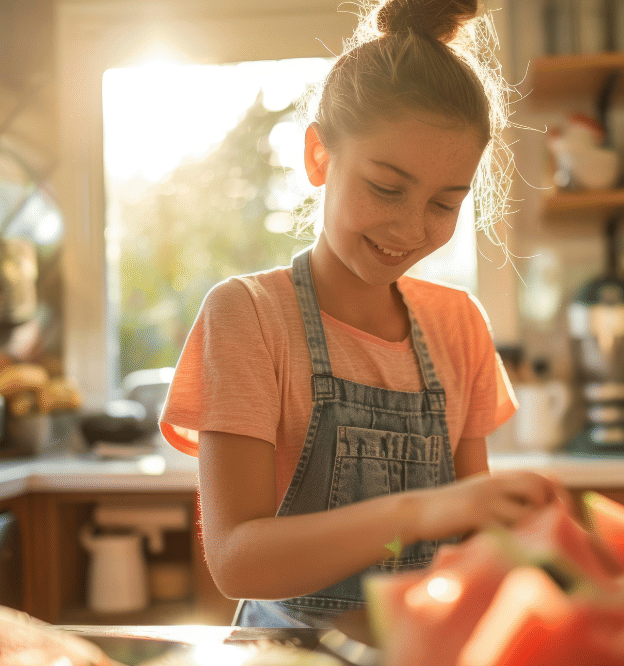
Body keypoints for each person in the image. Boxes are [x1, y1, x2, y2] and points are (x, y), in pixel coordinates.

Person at [160, 0, 565, 629]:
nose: (410, 226)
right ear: (320, 157)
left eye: (444, 203)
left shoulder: (459, 324)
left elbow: (473, 543)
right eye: (386, 187)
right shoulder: (248, 316)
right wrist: (423, 512)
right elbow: (237, 561)